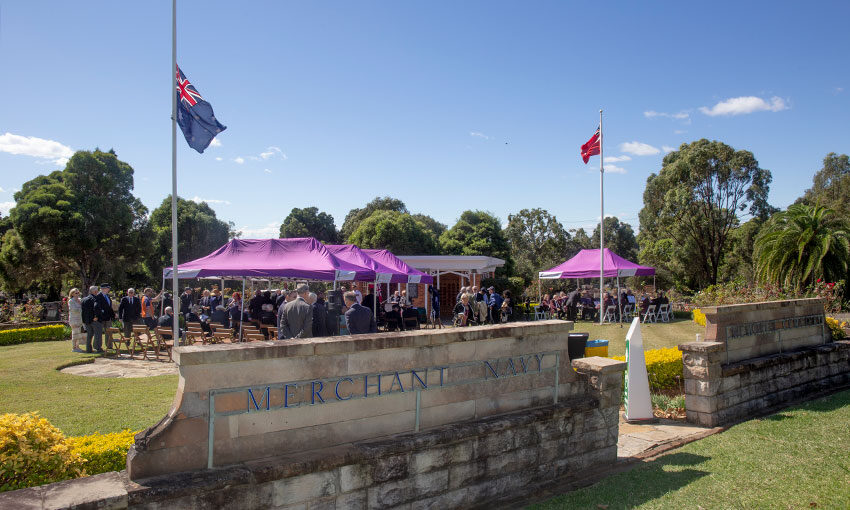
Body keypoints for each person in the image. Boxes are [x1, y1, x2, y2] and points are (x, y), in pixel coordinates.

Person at [94, 284, 115, 351]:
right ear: (103, 289)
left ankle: (109, 346)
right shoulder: (98, 296)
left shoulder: (107, 296)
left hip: (108, 317)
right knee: (99, 333)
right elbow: (97, 307)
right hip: (101, 317)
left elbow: (109, 307)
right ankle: (97, 347)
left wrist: (113, 315)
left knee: (109, 332)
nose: (108, 290)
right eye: (107, 288)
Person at [67, 288, 85, 352]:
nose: (77, 294)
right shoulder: (71, 301)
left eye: (78, 293)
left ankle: (77, 347)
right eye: (76, 293)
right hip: (74, 319)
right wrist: (81, 309)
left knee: (79, 333)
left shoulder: (80, 300)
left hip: (80, 319)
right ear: (72, 294)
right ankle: (74, 347)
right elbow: (74, 310)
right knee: (75, 333)